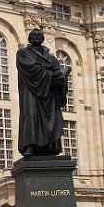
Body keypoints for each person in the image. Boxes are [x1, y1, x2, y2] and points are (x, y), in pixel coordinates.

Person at [17, 28, 70, 157]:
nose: (36, 37)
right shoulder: (23, 53)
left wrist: (60, 78)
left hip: (49, 94)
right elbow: (31, 69)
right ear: (29, 39)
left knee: (51, 118)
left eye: (39, 35)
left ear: (42, 39)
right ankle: (30, 146)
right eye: (33, 35)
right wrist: (53, 74)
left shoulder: (51, 58)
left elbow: (58, 73)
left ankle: (50, 147)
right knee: (31, 115)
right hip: (31, 90)